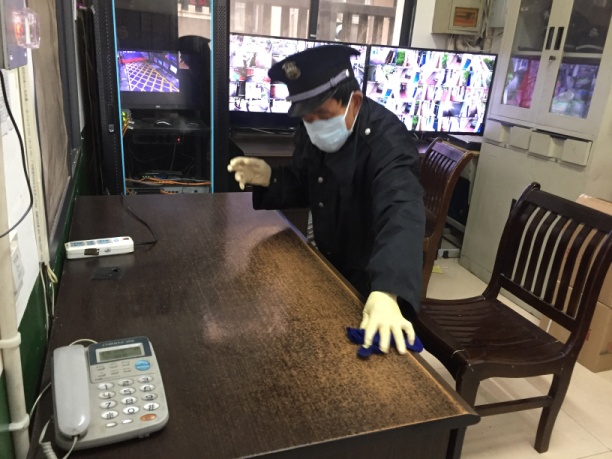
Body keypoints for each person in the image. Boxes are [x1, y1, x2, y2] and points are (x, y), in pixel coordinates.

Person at [227, 45, 424, 355]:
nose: (315, 124)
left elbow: (401, 209)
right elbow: (307, 182)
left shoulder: (388, 141)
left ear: (354, 101)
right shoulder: (311, 128)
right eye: (307, 117)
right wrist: (270, 177)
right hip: (327, 261)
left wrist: (388, 290)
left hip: (370, 274)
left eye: (323, 115)